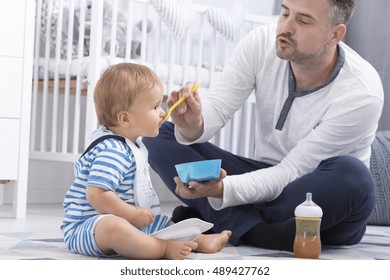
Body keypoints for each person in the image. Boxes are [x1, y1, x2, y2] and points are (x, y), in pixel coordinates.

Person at [142, 0, 384, 251]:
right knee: (156, 134)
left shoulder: (361, 93)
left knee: (353, 176)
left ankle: (233, 224)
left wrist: (222, 189)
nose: (285, 27)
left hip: (313, 192)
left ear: (335, 34)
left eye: (303, 20)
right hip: (262, 175)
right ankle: (259, 231)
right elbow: (219, 106)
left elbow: (291, 172)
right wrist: (193, 124)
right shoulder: (261, 41)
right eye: (285, 12)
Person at [60, 63, 231, 260]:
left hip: (125, 219)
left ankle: (200, 241)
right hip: (88, 227)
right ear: (125, 119)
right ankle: (163, 249)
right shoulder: (111, 150)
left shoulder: (134, 146)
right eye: (155, 107)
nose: (161, 112)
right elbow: (97, 195)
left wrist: (136, 216)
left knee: (162, 223)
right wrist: (132, 215)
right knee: (114, 227)